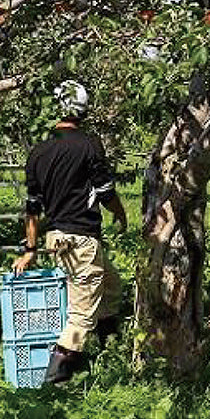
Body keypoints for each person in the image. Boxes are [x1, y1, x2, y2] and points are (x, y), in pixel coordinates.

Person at [12, 81, 127, 385]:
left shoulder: (39, 151)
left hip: (56, 238)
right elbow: (104, 191)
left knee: (111, 287)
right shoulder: (89, 145)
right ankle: (56, 380)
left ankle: (111, 350)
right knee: (81, 313)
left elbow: (32, 207)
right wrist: (120, 212)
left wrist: (31, 248)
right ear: (83, 109)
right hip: (82, 240)